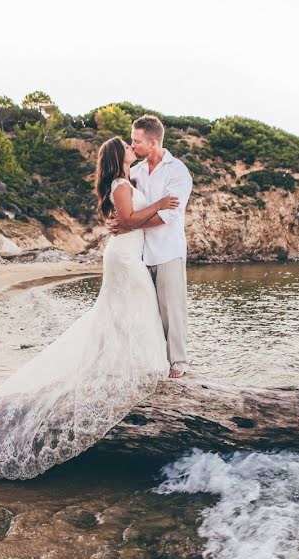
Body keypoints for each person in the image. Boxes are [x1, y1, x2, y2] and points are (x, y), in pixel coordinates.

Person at [0, 137, 178, 480]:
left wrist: (158, 213)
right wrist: (158, 208)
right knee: (136, 308)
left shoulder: (130, 180)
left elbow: (131, 220)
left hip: (125, 253)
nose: (130, 148)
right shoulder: (121, 183)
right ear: (116, 155)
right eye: (125, 146)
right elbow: (127, 218)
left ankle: (129, 363)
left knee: (128, 311)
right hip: (124, 257)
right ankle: (135, 365)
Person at [108, 115, 192, 378]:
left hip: (167, 250)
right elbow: (123, 205)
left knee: (171, 309)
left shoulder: (177, 172)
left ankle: (178, 362)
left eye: (136, 141)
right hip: (139, 252)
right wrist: (115, 220)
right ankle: (152, 361)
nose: (132, 146)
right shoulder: (135, 172)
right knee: (146, 311)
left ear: (153, 142)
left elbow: (168, 216)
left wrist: (129, 225)